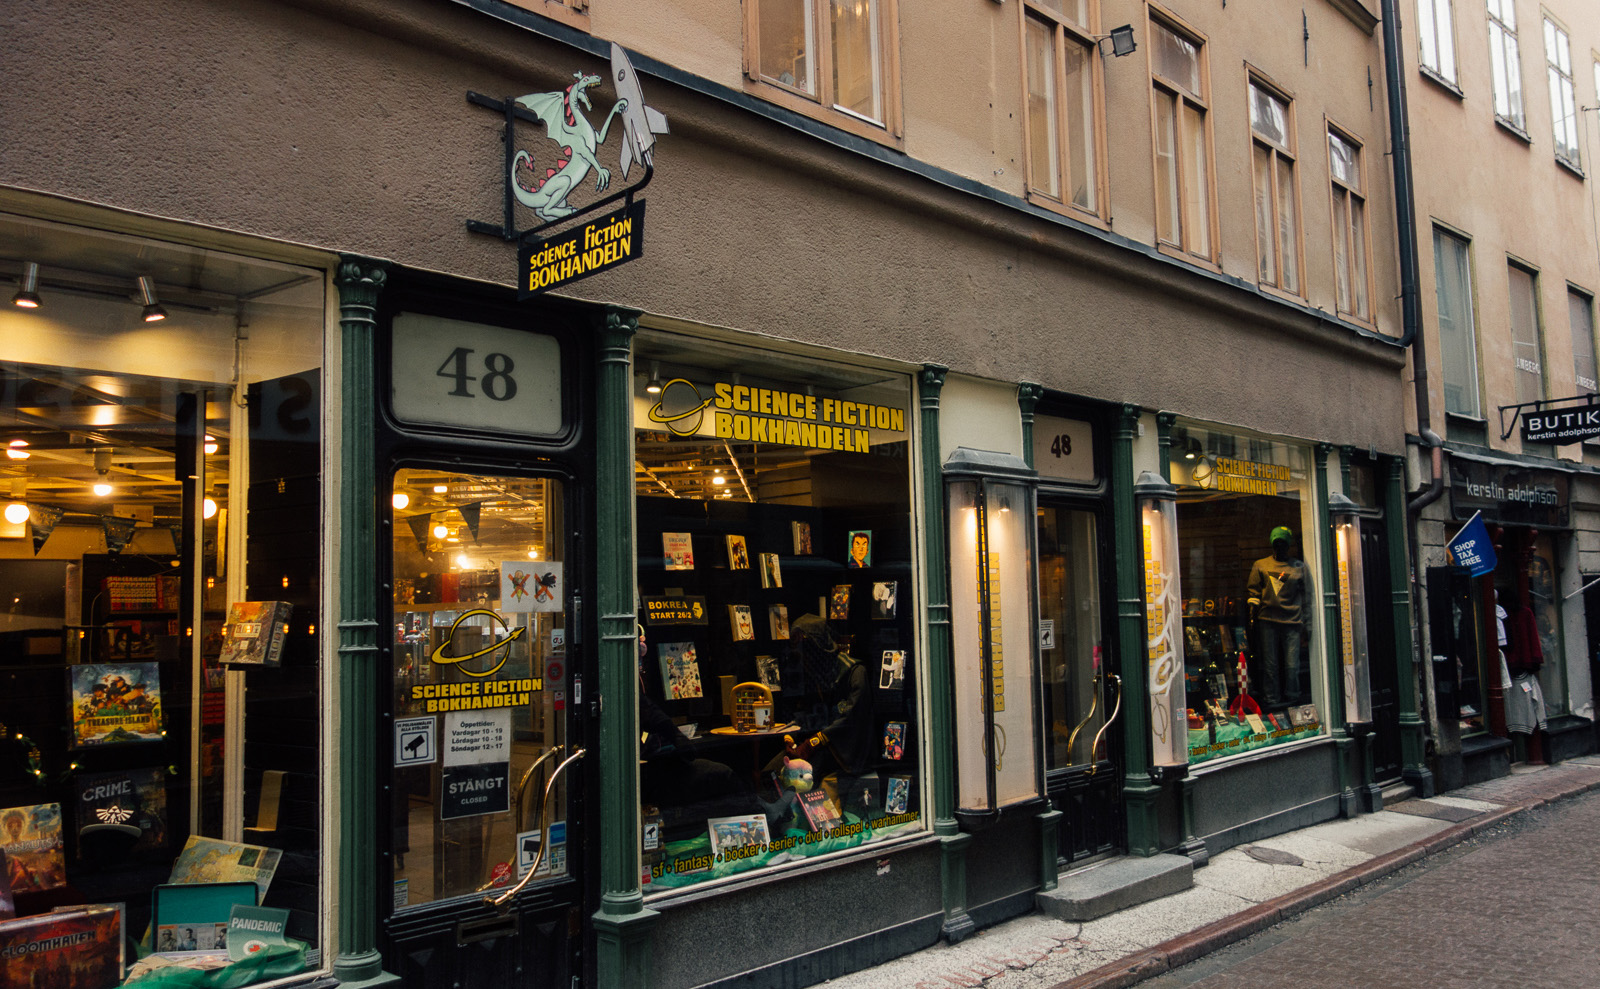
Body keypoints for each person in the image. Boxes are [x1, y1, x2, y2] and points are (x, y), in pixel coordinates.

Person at [1246, 526, 1311, 707]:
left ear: (1289, 545)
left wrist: (1307, 625)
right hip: (1267, 621)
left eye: (1283, 543)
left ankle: (1293, 698)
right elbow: (1253, 592)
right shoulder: (1261, 565)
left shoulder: (1298, 567)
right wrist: (1253, 617)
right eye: (1276, 543)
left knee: (1292, 666)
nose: (1279, 547)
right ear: (1272, 544)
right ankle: (1271, 699)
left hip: (1292, 621)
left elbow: (1307, 598)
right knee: (1270, 666)